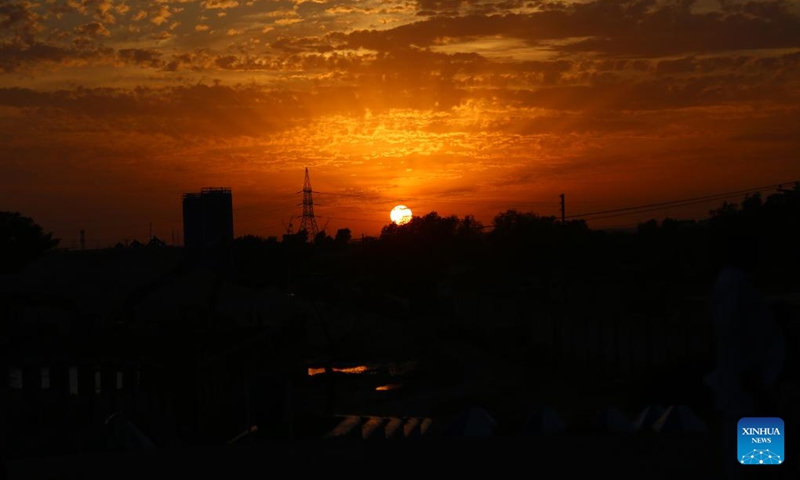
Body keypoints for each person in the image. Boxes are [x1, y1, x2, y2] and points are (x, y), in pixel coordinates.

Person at [707, 229, 786, 479]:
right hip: (747, 386)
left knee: (754, 460)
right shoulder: (734, 283)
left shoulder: (735, 282)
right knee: (753, 462)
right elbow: (735, 332)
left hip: (749, 385)